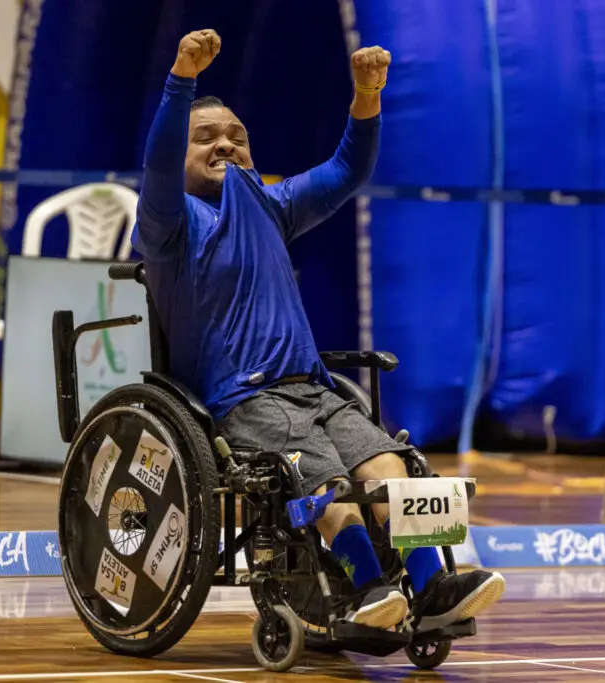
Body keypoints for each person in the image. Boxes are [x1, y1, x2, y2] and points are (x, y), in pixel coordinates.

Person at [133, 29, 505, 631]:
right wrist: (181, 80)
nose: (226, 143)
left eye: (238, 137)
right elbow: (156, 162)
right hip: (247, 397)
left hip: (315, 388)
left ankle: (436, 584)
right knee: (325, 478)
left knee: (388, 467)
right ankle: (367, 588)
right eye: (205, 138)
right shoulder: (168, 222)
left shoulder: (271, 204)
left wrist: (366, 97)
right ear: (178, 156)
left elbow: (345, 171)